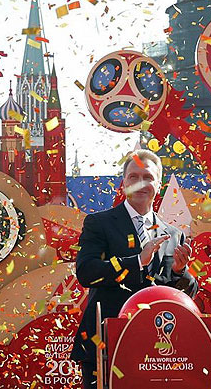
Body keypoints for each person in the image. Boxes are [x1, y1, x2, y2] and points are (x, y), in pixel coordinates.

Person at [70, 149, 198, 388]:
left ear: (158, 184)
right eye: (133, 176)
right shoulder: (99, 223)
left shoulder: (173, 234)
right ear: (124, 183)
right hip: (106, 346)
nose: (140, 183)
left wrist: (180, 272)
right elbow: (87, 272)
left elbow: (181, 295)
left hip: (157, 354)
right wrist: (137, 261)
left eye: (148, 177)